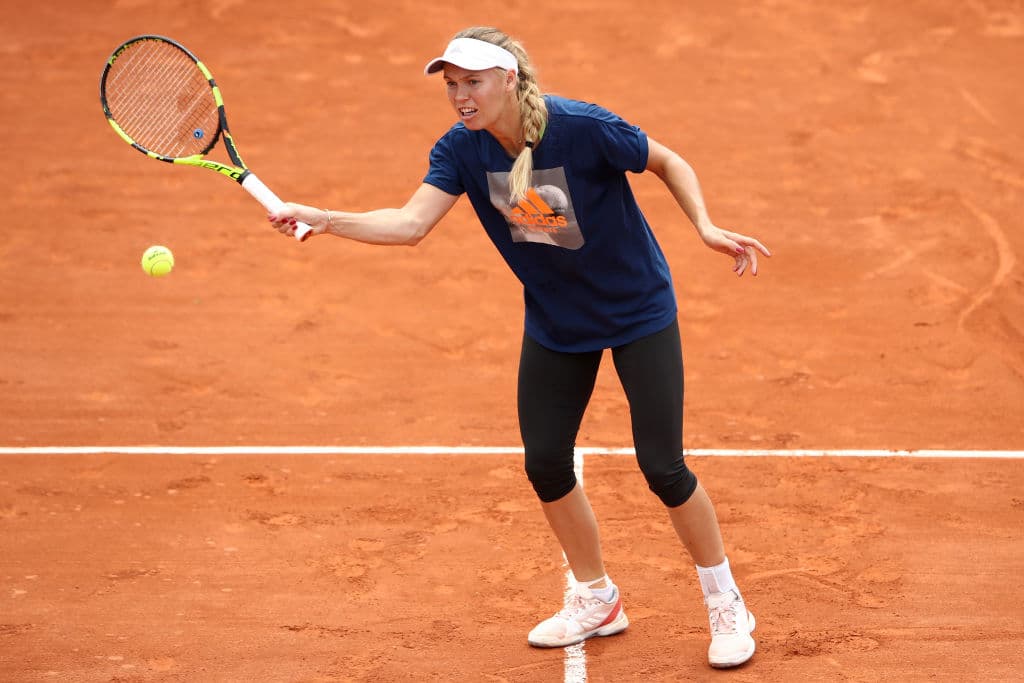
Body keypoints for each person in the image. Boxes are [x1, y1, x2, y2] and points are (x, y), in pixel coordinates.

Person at [268, 26, 770, 669]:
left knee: (663, 466)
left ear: (509, 80)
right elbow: (410, 224)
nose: (459, 97)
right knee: (545, 463)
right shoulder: (461, 150)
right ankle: (597, 597)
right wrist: (326, 219)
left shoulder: (582, 127)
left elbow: (666, 160)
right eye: (450, 85)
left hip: (637, 310)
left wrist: (702, 225)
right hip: (559, 324)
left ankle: (726, 601)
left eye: (472, 82)